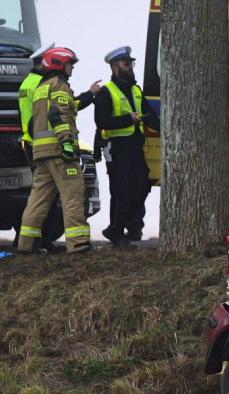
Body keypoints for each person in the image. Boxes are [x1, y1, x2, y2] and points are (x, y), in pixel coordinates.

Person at [18, 46, 101, 252]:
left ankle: (25, 246)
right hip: (60, 153)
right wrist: (66, 142)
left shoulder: (40, 88)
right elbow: (60, 114)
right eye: (70, 63)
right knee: (73, 196)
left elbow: (32, 123)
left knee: (37, 201)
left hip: (41, 154)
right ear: (58, 63)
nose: (72, 67)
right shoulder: (60, 86)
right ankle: (79, 245)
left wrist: (89, 95)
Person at [93, 46, 160, 249]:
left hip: (135, 149)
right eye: (126, 64)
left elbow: (149, 116)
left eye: (131, 64)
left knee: (142, 188)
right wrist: (127, 120)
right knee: (121, 192)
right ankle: (117, 231)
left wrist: (167, 129)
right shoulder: (106, 92)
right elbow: (101, 122)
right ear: (115, 68)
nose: (130, 67)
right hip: (117, 150)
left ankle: (116, 227)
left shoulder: (135, 90)